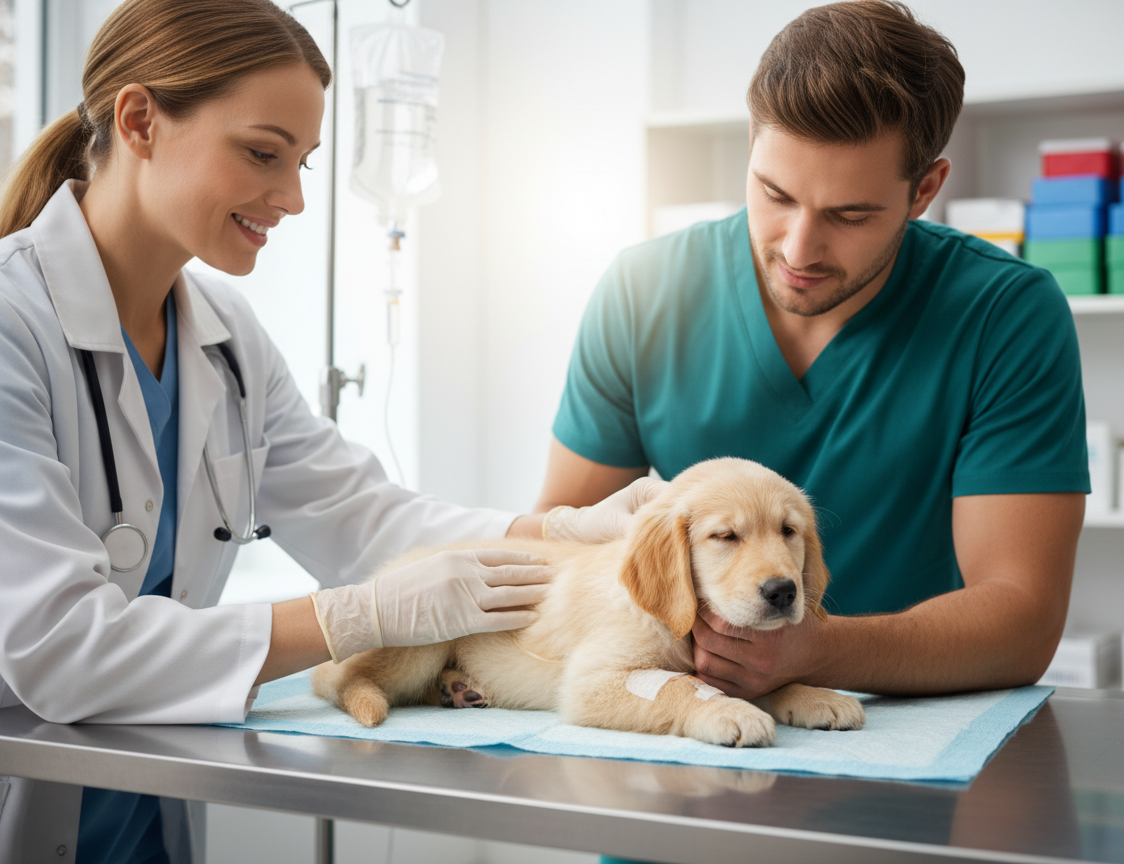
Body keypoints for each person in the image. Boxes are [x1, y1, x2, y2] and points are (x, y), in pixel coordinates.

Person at [0, 2, 656, 862]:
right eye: (263, 154)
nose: (296, 199)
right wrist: (353, 618)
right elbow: (61, 649)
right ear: (139, 120)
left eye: (302, 163)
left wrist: (555, 536)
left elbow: (363, 518)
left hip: (140, 812)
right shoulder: (14, 324)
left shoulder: (226, 337)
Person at [541, 0, 1089, 707]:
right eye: (776, 194)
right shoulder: (642, 290)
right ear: (751, 143)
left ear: (924, 189)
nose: (798, 249)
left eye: (850, 215)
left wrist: (817, 651)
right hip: (692, 714)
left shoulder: (1004, 314)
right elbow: (559, 549)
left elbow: (1022, 619)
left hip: (909, 732)